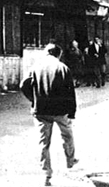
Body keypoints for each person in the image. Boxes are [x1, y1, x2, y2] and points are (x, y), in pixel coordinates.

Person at [21, 43, 79, 186]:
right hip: (60, 111)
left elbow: (24, 85)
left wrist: (33, 99)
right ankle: (70, 162)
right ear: (58, 54)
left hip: (41, 110)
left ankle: (46, 174)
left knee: (43, 142)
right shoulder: (63, 68)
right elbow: (70, 92)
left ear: (46, 53)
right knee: (67, 135)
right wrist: (71, 111)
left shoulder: (35, 67)